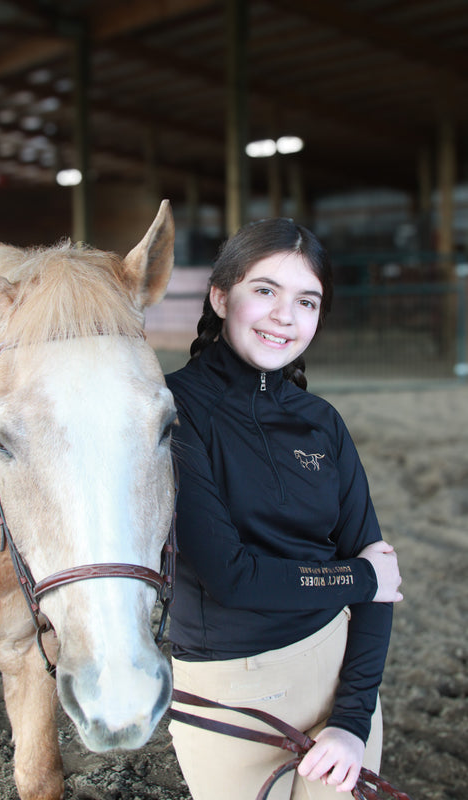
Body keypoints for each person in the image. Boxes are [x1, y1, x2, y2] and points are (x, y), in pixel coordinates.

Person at [165, 218, 403, 800]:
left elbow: (379, 592)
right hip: (232, 690)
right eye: (265, 290)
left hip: (338, 669)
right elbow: (232, 578)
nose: (285, 316)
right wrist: (360, 577)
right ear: (221, 296)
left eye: (307, 300)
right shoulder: (173, 411)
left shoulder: (321, 422)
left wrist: (351, 722)